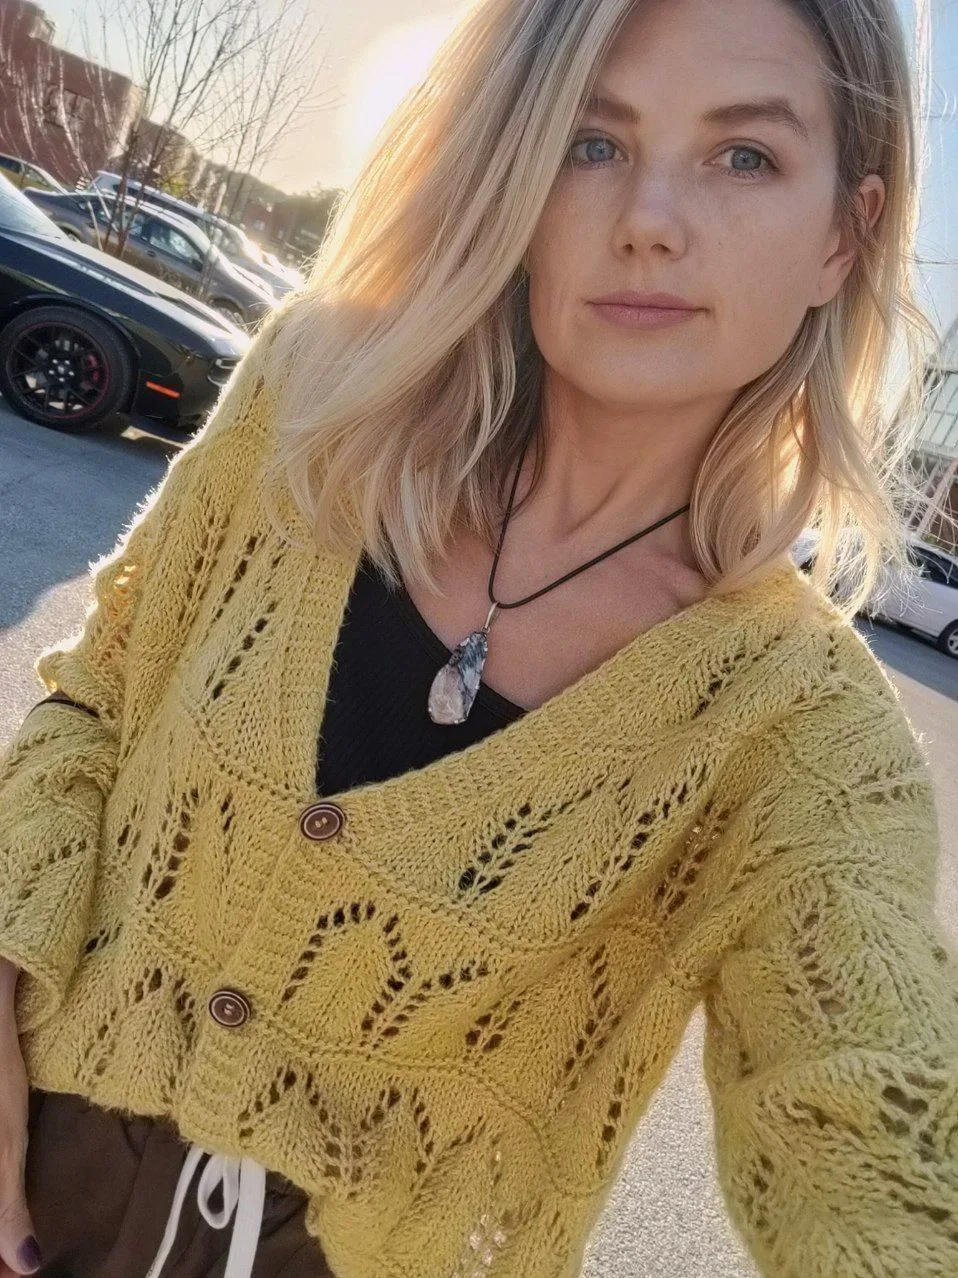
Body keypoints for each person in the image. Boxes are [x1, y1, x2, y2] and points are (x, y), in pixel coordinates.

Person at [2, 0, 957, 1274]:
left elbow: (869, 1123)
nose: (649, 220)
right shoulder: (318, 402)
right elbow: (99, 698)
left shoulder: (800, 734)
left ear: (844, 234)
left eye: (745, 156)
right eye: (590, 142)